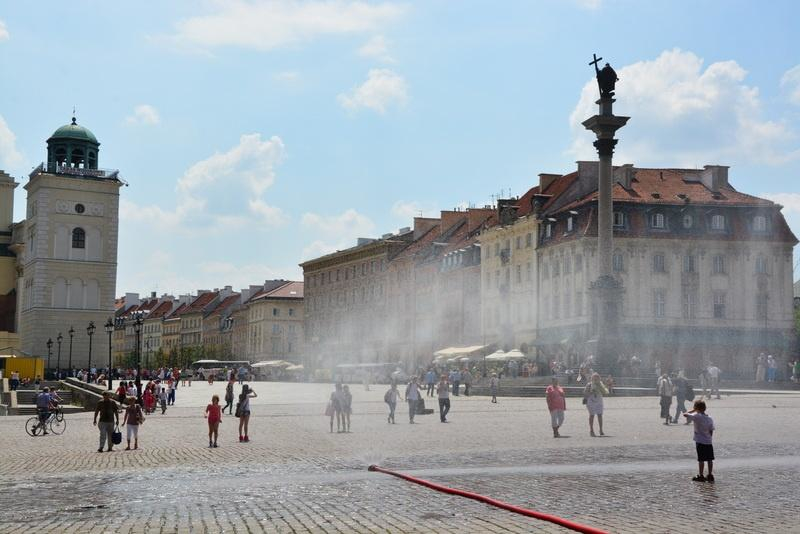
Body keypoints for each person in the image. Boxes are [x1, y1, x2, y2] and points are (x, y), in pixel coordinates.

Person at [683, 400, 715, 482]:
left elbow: (685, 414)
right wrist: (709, 438)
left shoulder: (697, 416)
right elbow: (711, 431)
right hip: (708, 441)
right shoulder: (710, 418)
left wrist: (694, 410)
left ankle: (701, 475)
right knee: (709, 459)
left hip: (700, 441)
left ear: (697, 408)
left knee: (701, 459)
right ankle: (710, 474)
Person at [583, 373, 607, 437]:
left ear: (599, 378)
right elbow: (585, 393)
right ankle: (591, 430)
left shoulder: (600, 384)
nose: (596, 379)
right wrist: (591, 391)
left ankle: (601, 430)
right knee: (592, 415)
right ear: (592, 378)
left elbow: (605, 392)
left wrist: (602, 388)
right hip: (591, 401)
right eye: (594, 378)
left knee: (600, 415)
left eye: (597, 377)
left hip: (599, 401)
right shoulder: (589, 384)